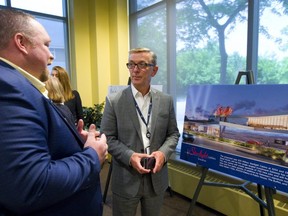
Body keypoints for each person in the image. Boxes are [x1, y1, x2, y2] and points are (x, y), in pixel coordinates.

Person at [0, 9, 107, 216]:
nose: (51, 55)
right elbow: (31, 185)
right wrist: (92, 155)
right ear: (21, 43)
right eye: (47, 45)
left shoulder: (19, 85)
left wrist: (75, 142)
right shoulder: (8, 87)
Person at [101, 48, 180, 216]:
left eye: (142, 65)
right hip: (126, 177)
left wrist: (163, 154)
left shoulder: (166, 101)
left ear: (154, 70)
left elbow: (173, 134)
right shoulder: (114, 101)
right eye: (131, 64)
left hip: (156, 178)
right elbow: (107, 138)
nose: (135, 70)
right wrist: (130, 156)